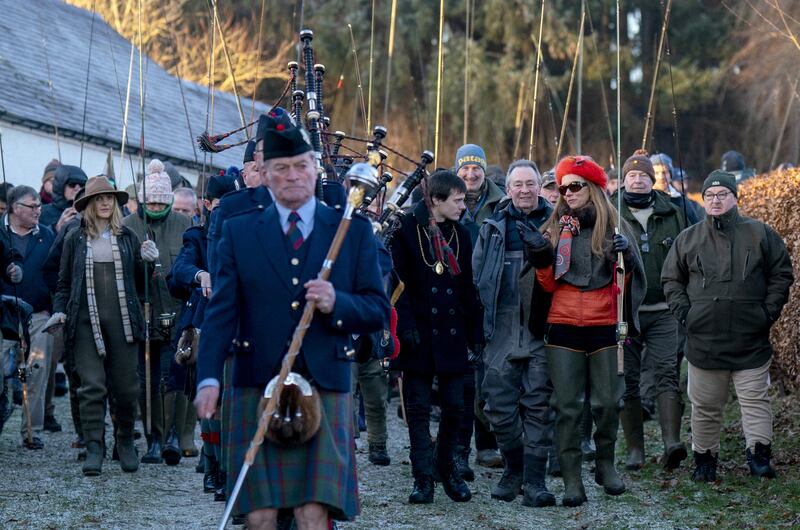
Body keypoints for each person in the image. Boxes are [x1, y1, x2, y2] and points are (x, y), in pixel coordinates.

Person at [195, 110, 389, 528]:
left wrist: (338, 300)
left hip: (325, 379)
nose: (293, 176)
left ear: (315, 168)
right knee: (260, 513)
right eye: (281, 168)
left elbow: (377, 308)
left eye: (301, 166)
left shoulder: (350, 232)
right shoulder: (239, 231)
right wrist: (209, 377)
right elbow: (221, 314)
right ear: (263, 173)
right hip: (255, 378)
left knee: (313, 511)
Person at [523, 155, 645, 507]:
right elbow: (542, 287)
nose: (567, 192)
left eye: (574, 185)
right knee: (567, 407)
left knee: (608, 403)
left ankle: (605, 464)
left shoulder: (615, 227)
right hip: (562, 327)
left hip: (605, 324)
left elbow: (631, 283)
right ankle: (572, 479)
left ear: (591, 187)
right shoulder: (555, 227)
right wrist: (541, 260)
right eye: (562, 187)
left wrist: (629, 260)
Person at [662, 170, 793, 482]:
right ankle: (705, 460)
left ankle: (759, 457)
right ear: (703, 200)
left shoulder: (760, 233)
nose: (715, 200)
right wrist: (686, 315)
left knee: (755, 402)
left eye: (722, 195)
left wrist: (767, 312)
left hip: (751, 341)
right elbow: (671, 280)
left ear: (736, 198)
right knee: (705, 406)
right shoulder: (688, 238)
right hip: (703, 342)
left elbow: (781, 274)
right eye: (710, 195)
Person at [391, 170, 483, 504]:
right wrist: (405, 326)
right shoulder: (404, 232)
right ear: (436, 201)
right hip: (417, 335)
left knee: (456, 407)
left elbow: (466, 287)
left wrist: (475, 334)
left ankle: (445, 465)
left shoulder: (461, 234)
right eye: (457, 200)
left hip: (452, 334)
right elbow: (397, 285)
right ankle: (422, 477)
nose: (463, 206)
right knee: (416, 410)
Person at [48, 176, 146, 475]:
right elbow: (63, 284)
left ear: (116, 203)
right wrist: (59, 312)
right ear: (88, 204)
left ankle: (126, 442)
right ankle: (94, 447)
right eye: (98, 198)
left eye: (109, 198)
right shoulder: (74, 238)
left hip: (123, 323)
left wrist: (149, 262)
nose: (105, 203)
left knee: (127, 388)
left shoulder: (129, 237)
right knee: (91, 387)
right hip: (84, 323)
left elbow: (141, 286)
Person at [472, 160, 556, 506]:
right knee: (497, 407)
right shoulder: (491, 228)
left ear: (540, 187)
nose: (524, 190)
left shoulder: (557, 225)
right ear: (507, 190)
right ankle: (514, 469)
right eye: (517, 184)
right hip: (501, 327)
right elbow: (476, 280)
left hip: (544, 329)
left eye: (530, 183)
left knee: (539, 406)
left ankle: (535, 481)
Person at [612, 151, 688, 471]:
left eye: (644, 175)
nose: (638, 179)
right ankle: (635, 451)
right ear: (625, 179)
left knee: (667, 372)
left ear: (652, 179)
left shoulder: (672, 211)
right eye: (632, 175)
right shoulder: (611, 211)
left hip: (663, 310)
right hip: (624, 312)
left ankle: (672, 443)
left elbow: (687, 252)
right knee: (627, 378)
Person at [166, 172, 236, 497]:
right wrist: (200, 274)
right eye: (220, 205)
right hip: (207, 328)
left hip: (239, 327)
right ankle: (214, 468)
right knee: (213, 405)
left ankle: (226, 469)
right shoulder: (197, 237)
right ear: (207, 204)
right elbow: (179, 271)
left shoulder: (244, 232)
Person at [122, 159, 192, 464]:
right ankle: (151, 436)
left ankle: (172, 436)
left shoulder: (184, 225)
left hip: (173, 313)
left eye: (162, 202)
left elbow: (191, 265)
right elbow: (123, 275)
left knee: (171, 376)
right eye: (150, 201)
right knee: (144, 379)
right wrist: (141, 261)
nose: (155, 206)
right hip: (141, 313)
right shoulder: (129, 227)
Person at [453, 142, 503, 473]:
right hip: (455, 300)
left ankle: (487, 445)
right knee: (458, 379)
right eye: (465, 168)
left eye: (476, 168)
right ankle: (458, 448)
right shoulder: (443, 200)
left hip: (490, 301)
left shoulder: (502, 203)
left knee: (488, 377)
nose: (471, 174)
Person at [1, 186, 55, 448]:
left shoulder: (46, 235)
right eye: (32, 207)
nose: (37, 211)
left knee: (36, 369)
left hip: (38, 314)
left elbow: (56, 274)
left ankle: (31, 430)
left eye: (38, 206)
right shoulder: (0, 235)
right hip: (4, 315)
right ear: (15, 208)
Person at [650, 153, 702, 225]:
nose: (661, 177)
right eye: (656, 173)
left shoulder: (682, 201)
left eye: (665, 172)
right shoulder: (644, 200)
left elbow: (695, 229)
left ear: (671, 174)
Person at [40, 164, 87, 232]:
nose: (78, 189)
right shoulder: (42, 213)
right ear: (60, 186)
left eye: (82, 185)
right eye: (72, 184)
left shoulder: (89, 212)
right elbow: (34, 240)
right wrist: (56, 229)